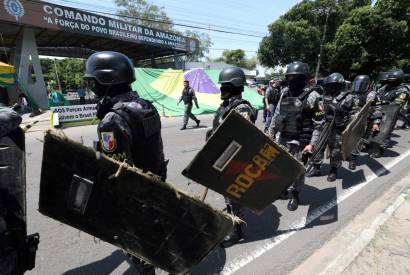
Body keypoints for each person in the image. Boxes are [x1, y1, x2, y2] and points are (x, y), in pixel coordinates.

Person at [83, 51, 168, 275]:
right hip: (157, 181)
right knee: (153, 230)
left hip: (134, 194)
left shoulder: (112, 119)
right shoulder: (147, 106)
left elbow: (118, 171)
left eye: (94, 83)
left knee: (135, 243)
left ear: (107, 82)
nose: (93, 89)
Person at [206, 66, 256, 247]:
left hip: (236, 159)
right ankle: (234, 222)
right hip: (223, 157)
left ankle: (238, 231)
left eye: (224, 86)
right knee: (227, 196)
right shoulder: (225, 106)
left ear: (234, 86)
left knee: (233, 197)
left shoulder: (242, 108)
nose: (221, 89)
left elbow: (242, 135)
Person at [268, 61, 323, 211]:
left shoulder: (314, 96)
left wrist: (312, 144)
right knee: (282, 168)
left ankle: (295, 194)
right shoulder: (285, 93)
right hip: (284, 137)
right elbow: (277, 115)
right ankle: (282, 188)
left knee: (298, 170)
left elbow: (319, 124)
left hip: (302, 140)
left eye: (294, 77)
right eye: (289, 77)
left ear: (302, 78)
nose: (291, 80)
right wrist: (270, 134)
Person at [370, 69, 410, 158]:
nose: (390, 82)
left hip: (391, 113)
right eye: (390, 80)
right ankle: (370, 143)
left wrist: (380, 103)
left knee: (385, 130)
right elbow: (377, 95)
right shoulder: (386, 87)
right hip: (378, 110)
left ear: (398, 80)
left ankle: (380, 150)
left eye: (393, 81)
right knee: (372, 127)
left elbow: (397, 103)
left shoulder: (403, 90)